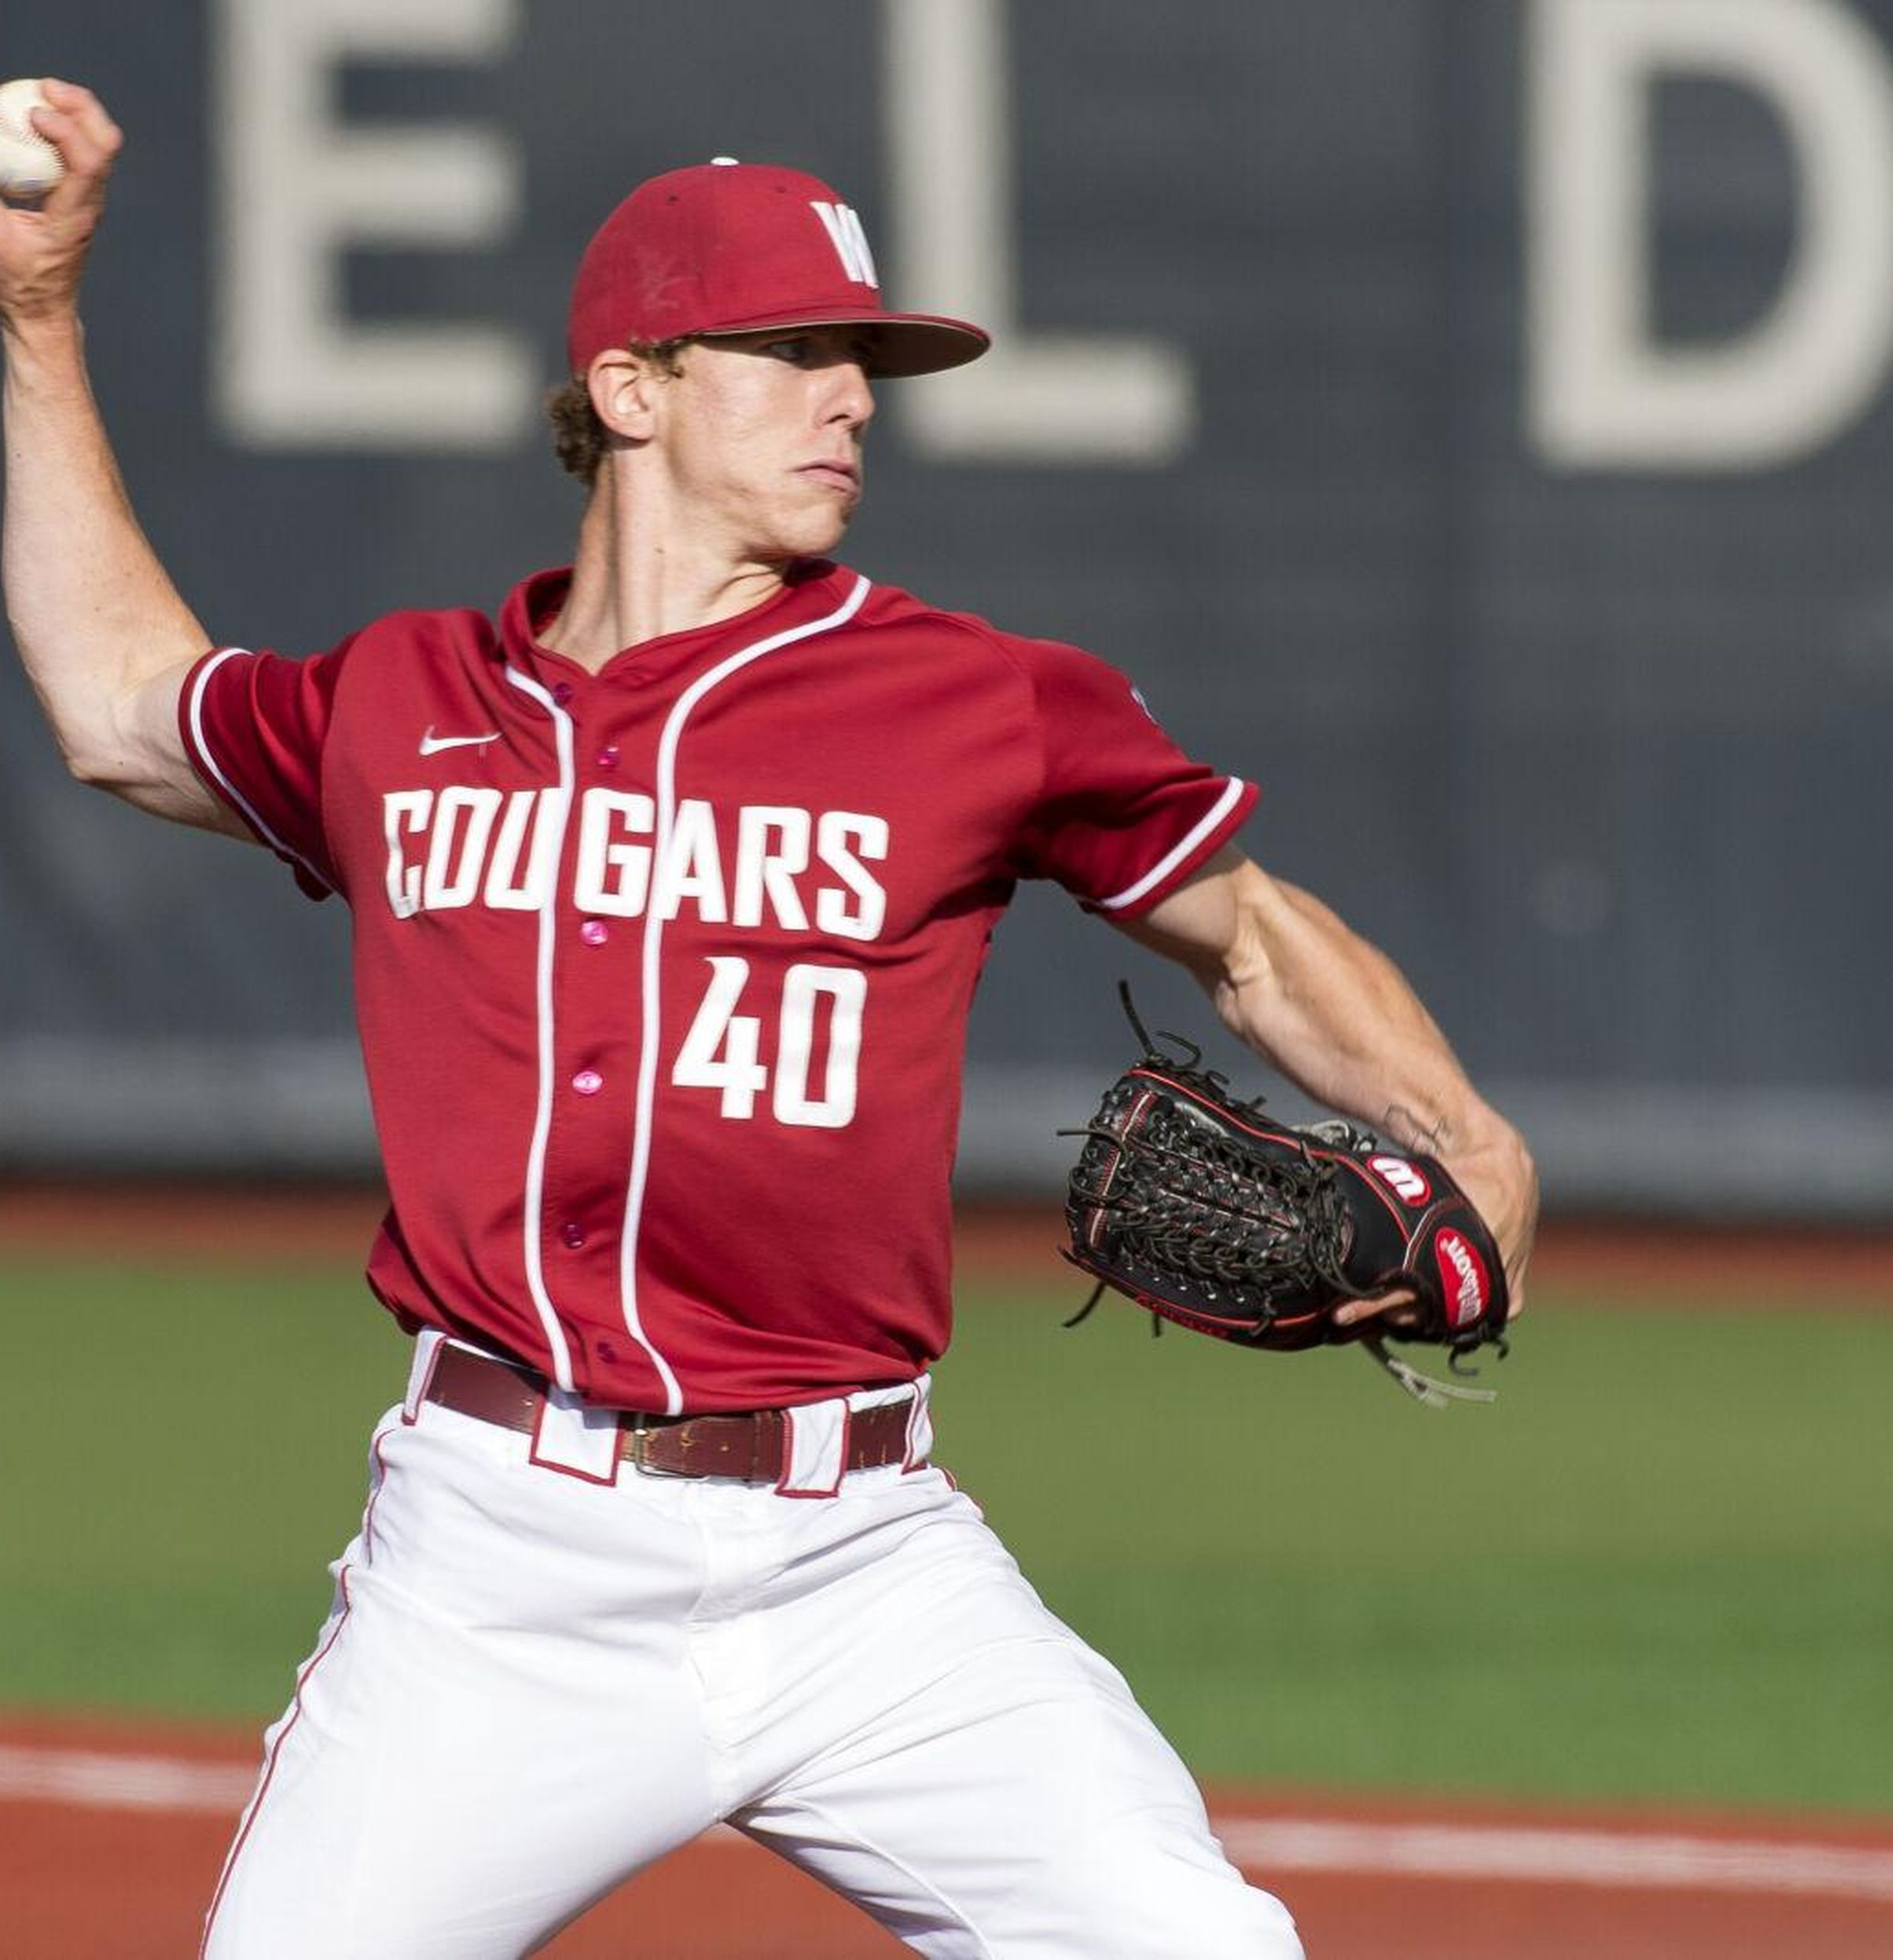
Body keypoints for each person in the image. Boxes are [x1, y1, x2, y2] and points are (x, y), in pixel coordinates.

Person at [2, 80, 1538, 1960]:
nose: (853, 396)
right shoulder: (403, 699)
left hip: (864, 1562)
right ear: (631, 387)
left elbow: (1255, 938)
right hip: (500, 1560)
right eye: (796, 350)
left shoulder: (973, 701)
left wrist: (1471, 1145)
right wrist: (34, 316)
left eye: (863, 360)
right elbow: (116, 702)